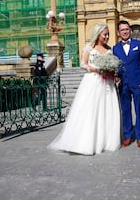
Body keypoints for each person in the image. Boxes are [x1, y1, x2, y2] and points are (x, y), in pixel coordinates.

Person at [47, 23, 121, 155]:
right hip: (93, 81)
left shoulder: (109, 49)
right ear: (98, 34)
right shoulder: (89, 47)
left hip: (107, 84)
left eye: (108, 34)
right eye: (105, 34)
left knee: (106, 110)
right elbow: (83, 64)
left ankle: (104, 141)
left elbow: (112, 66)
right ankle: (85, 142)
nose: (107, 37)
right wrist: (97, 69)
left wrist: (112, 72)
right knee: (90, 111)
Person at [113, 20, 140, 149]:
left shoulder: (138, 44)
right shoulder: (115, 48)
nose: (125, 31)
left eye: (127, 29)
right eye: (122, 30)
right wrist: (115, 76)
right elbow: (115, 66)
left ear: (130, 30)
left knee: (139, 110)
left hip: (138, 83)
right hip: (123, 84)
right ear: (118, 33)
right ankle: (128, 136)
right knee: (126, 111)